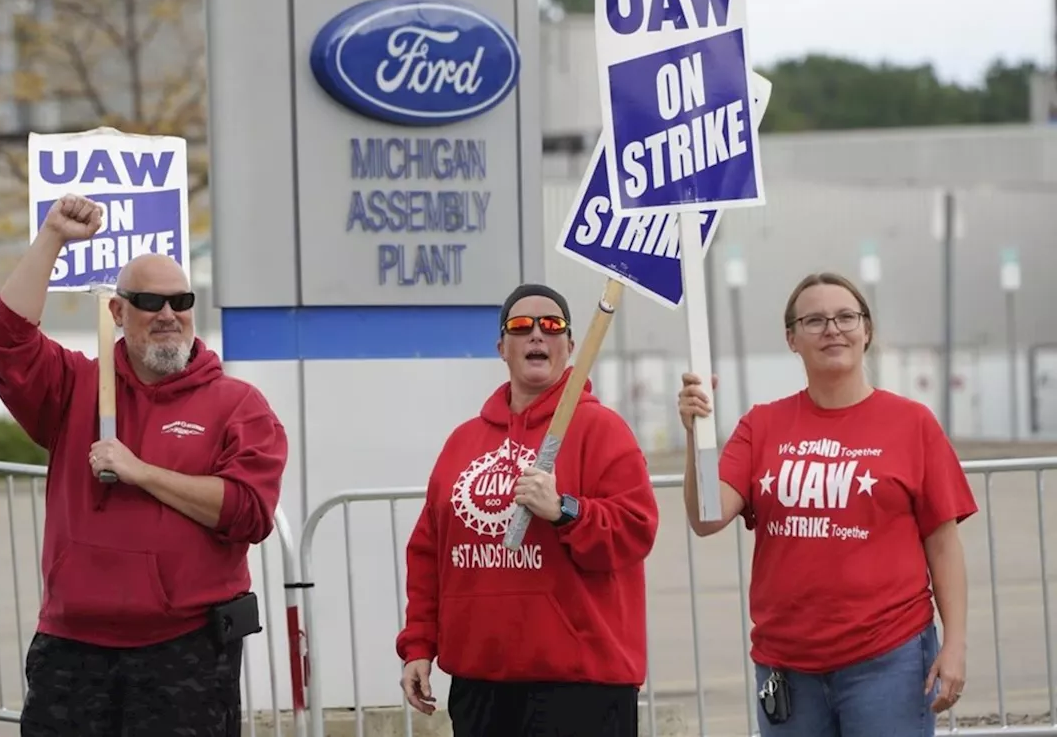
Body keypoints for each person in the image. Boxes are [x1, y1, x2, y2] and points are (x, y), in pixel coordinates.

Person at [0, 193, 289, 737]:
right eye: (150, 301)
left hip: (185, 650)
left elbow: (248, 512)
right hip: (72, 648)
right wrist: (52, 235)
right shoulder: (75, 386)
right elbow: (7, 339)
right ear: (118, 313)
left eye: (181, 300)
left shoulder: (238, 404)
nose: (169, 315)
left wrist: (141, 472)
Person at [676, 271, 976, 737]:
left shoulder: (912, 424)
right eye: (814, 320)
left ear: (867, 331)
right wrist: (697, 436)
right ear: (791, 339)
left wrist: (954, 643)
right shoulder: (762, 425)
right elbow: (706, 517)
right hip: (788, 666)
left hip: (889, 660)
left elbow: (943, 543)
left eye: (845, 317)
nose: (832, 329)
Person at [396, 283, 659, 737]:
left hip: (578, 685)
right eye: (521, 326)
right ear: (502, 347)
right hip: (481, 685)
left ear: (570, 346)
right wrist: (419, 644)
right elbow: (428, 552)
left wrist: (565, 511)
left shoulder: (602, 430)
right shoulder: (463, 442)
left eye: (551, 325)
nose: (537, 334)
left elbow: (636, 531)